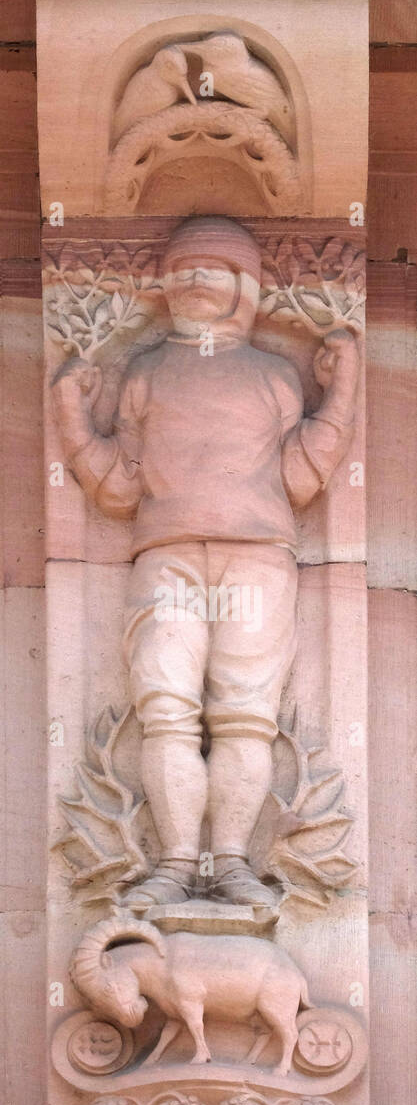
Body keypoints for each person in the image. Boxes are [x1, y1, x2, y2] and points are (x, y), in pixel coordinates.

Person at [53, 216, 359, 912]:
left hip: (256, 562)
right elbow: (118, 485)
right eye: (184, 268)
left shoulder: (274, 375)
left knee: (245, 717)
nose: (194, 279)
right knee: (164, 711)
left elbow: (303, 477)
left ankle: (230, 865)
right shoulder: (146, 372)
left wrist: (343, 386)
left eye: (211, 269)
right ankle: (173, 864)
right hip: (163, 558)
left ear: (245, 286)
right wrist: (70, 414)